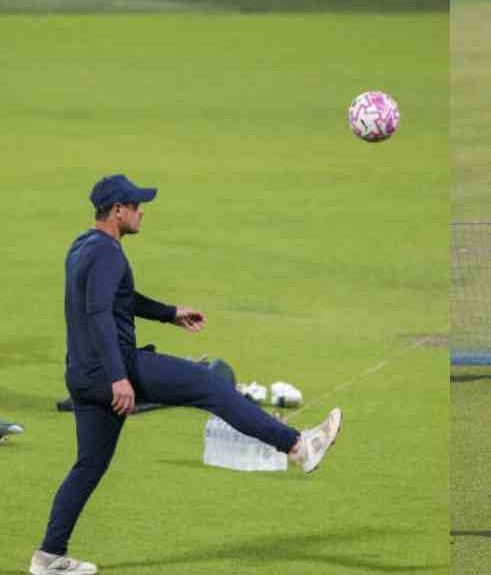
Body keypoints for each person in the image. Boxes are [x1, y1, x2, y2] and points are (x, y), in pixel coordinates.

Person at [30, 174, 343, 575]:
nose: (143, 210)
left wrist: (170, 314)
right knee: (209, 383)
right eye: (136, 204)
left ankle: (48, 556)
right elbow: (99, 314)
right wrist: (118, 378)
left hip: (81, 375)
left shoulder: (82, 247)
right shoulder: (108, 253)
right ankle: (299, 446)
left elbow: (117, 299)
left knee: (88, 466)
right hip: (113, 369)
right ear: (117, 210)